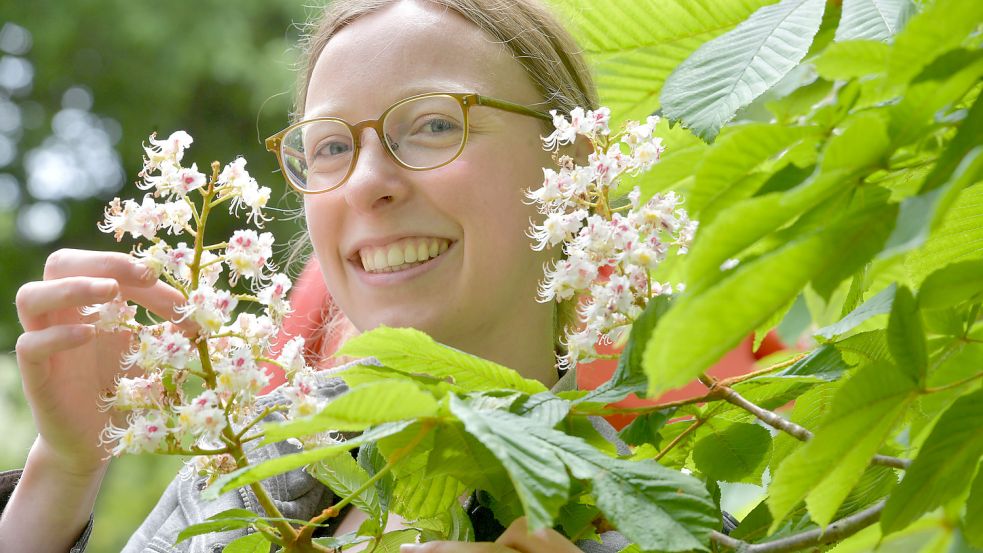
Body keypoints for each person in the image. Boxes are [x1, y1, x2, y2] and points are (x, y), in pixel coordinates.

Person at [0, 0, 633, 551]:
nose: (365, 185)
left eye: (436, 124)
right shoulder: (251, 459)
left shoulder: (649, 520)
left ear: (572, 169)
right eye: (331, 146)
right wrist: (63, 471)